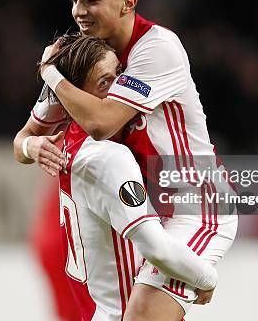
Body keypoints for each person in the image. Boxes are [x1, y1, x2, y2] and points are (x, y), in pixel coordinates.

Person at [32, 0, 238, 320]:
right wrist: (33, 146)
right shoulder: (84, 58)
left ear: (127, 4)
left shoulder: (157, 48)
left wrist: (51, 74)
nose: (78, 10)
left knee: (141, 315)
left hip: (196, 206)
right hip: (146, 214)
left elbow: (101, 123)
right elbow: (23, 139)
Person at [44, 33, 218, 321]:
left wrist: (26, 143)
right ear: (76, 96)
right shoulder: (109, 158)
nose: (119, 90)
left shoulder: (70, 146)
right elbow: (155, 245)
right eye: (104, 83)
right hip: (128, 311)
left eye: (120, 74)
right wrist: (206, 277)